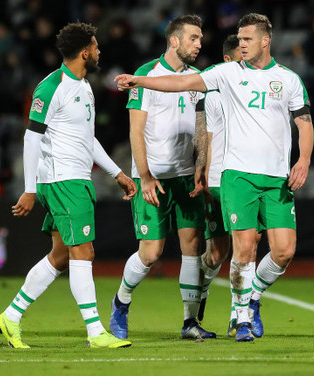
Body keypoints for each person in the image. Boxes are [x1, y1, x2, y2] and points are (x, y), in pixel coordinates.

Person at [115, 13, 314, 342]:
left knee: (281, 251)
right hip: (229, 177)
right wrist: (141, 82)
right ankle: (240, 318)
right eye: (238, 40)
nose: (241, 44)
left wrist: (303, 160)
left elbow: (302, 123)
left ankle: (238, 304)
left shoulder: (288, 79)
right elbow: (178, 88)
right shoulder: (226, 74)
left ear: (265, 40)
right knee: (235, 249)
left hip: (268, 177)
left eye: (247, 39)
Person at [0, 22, 136, 349]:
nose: (99, 52)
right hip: (63, 180)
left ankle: (10, 317)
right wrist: (30, 189)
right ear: (84, 52)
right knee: (84, 251)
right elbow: (31, 138)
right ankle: (96, 331)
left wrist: (117, 173)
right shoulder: (51, 87)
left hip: (75, 177)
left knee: (59, 256)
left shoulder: (83, 86)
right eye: (96, 47)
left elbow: (87, 139)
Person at [109, 14, 215, 341]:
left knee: (192, 246)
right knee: (151, 253)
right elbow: (135, 130)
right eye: (194, 38)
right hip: (153, 177)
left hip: (186, 177)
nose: (199, 44)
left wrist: (201, 167)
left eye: (200, 39)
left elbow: (202, 127)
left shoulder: (198, 78)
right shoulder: (145, 75)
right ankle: (121, 301)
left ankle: (189, 322)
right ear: (174, 41)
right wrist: (144, 176)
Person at [197, 34, 244, 335]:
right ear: (227, 60)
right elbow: (207, 137)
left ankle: (238, 317)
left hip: (246, 179)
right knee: (216, 255)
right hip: (217, 182)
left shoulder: (259, 88)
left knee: (245, 249)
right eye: (241, 56)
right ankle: (200, 288)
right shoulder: (213, 95)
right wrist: (201, 172)